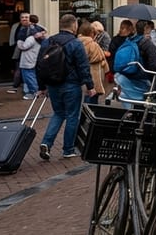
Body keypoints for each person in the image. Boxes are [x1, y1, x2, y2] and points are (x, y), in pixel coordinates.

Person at [37, 14, 96, 160]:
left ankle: (46, 143)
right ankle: (68, 149)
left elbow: (40, 65)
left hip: (53, 84)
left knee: (58, 113)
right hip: (71, 84)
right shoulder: (75, 43)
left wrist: (42, 86)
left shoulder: (48, 41)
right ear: (74, 25)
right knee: (72, 116)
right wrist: (90, 86)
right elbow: (83, 66)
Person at [114, 20, 156, 109]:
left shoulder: (129, 40)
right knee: (143, 108)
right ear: (146, 29)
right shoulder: (147, 44)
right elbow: (154, 66)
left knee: (129, 107)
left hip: (126, 78)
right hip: (142, 80)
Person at [78, 21, 108, 105]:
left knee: (85, 97)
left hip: (80, 76)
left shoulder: (76, 42)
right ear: (91, 33)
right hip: (93, 75)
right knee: (91, 99)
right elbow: (100, 57)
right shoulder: (93, 45)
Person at [17, 22, 48, 100]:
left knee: (28, 77)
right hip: (34, 59)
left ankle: (34, 93)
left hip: (27, 61)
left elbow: (23, 46)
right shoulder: (42, 39)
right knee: (32, 77)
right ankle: (33, 92)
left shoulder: (31, 38)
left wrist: (19, 41)